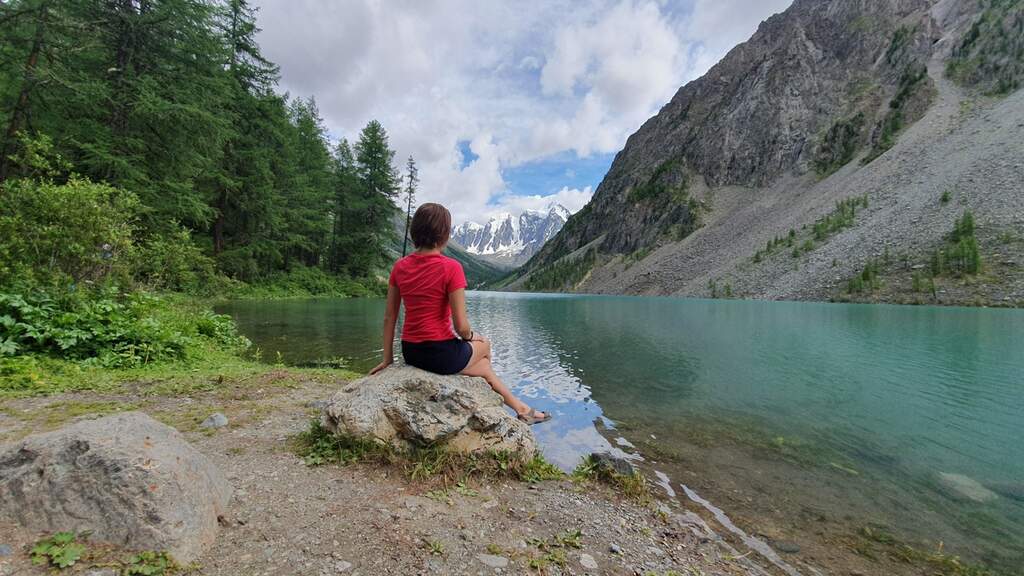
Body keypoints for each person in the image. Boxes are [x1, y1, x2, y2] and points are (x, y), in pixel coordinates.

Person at [370, 203, 551, 425]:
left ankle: (522, 409)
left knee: (483, 368)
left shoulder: (399, 267)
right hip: (441, 354)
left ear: (415, 231)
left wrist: (388, 359)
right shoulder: (451, 268)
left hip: (412, 352)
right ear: (444, 234)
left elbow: (389, 317)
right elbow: (461, 327)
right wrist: (473, 336)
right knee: (484, 345)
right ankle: (485, 402)